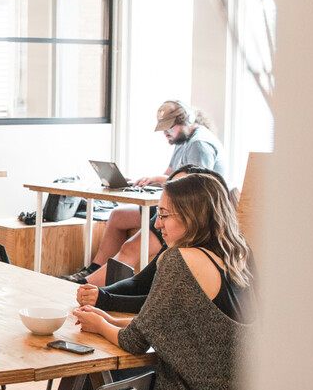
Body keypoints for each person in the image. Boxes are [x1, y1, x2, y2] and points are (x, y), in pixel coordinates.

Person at [73, 173, 255, 390]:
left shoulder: (180, 260)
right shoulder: (235, 257)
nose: (157, 225)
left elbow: (134, 341)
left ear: (192, 216)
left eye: (163, 215)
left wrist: (99, 325)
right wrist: (107, 320)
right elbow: (163, 324)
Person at [62, 100, 227, 285]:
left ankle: (89, 286)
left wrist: (160, 179)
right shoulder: (182, 140)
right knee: (117, 216)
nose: (166, 133)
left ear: (186, 121)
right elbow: (170, 175)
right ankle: (92, 271)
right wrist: (148, 182)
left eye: (169, 128)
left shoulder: (200, 144)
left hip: (189, 214)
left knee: (131, 247)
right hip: (174, 206)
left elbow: (196, 188)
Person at [75, 166, 231, 314]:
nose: (157, 224)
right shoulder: (187, 245)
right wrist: (97, 292)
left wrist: (103, 299)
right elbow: (141, 283)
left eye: (164, 213)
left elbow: (155, 312)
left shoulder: (190, 258)